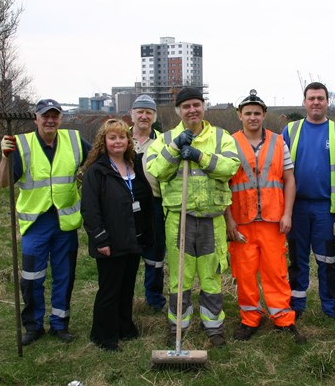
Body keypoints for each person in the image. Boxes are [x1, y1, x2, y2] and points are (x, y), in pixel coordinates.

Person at [146, 87, 240, 347]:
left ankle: (214, 327)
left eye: (196, 104)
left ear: (204, 107)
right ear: (178, 111)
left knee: (211, 275)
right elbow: (155, 170)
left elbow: (231, 167)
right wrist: (176, 148)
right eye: (186, 106)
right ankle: (178, 325)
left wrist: (200, 156)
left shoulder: (222, 137)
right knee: (180, 275)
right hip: (180, 218)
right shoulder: (165, 139)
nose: (192, 110)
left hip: (212, 218)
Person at [0, 99, 90, 345]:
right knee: (31, 277)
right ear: (35, 119)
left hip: (65, 223)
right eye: (45, 116)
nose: (50, 120)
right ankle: (33, 326)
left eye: (54, 116)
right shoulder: (22, 144)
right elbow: (4, 182)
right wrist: (6, 156)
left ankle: (59, 325)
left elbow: (101, 157)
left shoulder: (74, 141)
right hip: (35, 224)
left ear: (60, 118)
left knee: (64, 276)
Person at [225, 90, 306, 344]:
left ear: (264, 115)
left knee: (276, 271)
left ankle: (282, 317)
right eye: (247, 113)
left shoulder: (279, 142)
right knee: (245, 272)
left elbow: (289, 179)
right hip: (242, 221)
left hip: (273, 220)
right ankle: (250, 318)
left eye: (257, 113)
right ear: (239, 115)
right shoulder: (230, 143)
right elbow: (223, 184)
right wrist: (228, 220)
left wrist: (287, 213)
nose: (252, 117)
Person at [282, 82, 335, 327]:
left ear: (327, 101)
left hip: (327, 209)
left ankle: (330, 308)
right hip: (297, 207)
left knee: (328, 260)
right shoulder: (289, 131)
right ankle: (296, 306)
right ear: (304, 102)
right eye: (311, 98)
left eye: (320, 98)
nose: (316, 102)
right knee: (297, 259)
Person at [81, 119, 154, 352]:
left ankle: (125, 327)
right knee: (109, 289)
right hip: (110, 240)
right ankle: (103, 335)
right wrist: (100, 238)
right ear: (103, 142)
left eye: (122, 137)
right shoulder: (97, 171)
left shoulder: (134, 166)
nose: (117, 142)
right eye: (112, 138)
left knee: (127, 287)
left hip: (132, 238)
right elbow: (90, 209)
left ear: (128, 141)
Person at [131, 95, 166, 313]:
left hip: (154, 204)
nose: (144, 116)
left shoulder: (163, 141)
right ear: (132, 114)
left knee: (155, 253)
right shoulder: (117, 137)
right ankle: (124, 297)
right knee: (127, 251)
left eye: (149, 112)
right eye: (140, 111)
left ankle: (154, 299)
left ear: (154, 116)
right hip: (124, 205)